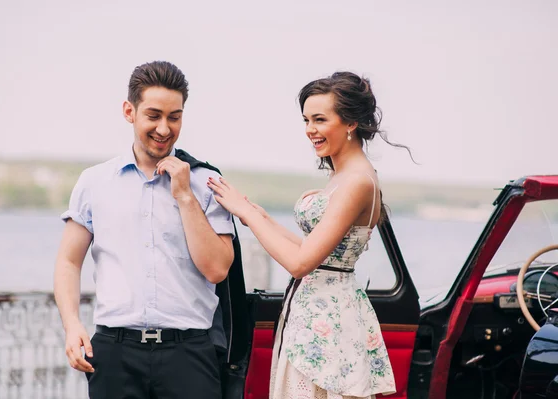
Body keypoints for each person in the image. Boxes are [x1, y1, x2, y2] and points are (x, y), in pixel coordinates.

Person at [207, 71, 401, 398]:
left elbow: (300, 263)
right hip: (314, 315)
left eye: (320, 119)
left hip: (329, 323)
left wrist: (249, 216)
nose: (310, 130)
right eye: (306, 120)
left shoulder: (357, 181)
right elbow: (312, 249)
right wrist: (256, 212)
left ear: (350, 122)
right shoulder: (345, 175)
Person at [53, 60, 238, 399]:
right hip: (114, 352)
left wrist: (184, 195)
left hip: (189, 354)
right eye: (153, 116)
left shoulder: (206, 182)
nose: (164, 129)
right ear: (129, 111)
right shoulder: (93, 182)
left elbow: (216, 269)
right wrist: (72, 325)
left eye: (174, 117)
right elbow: (68, 262)